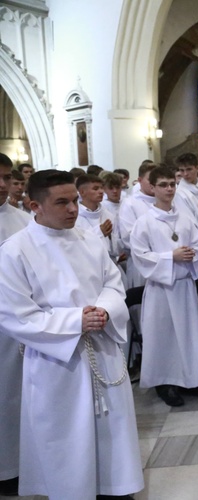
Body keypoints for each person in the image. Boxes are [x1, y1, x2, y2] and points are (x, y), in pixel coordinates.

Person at [0, 169, 143, 499]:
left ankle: (116, 489)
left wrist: (105, 310)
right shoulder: (15, 251)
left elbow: (112, 281)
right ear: (34, 205)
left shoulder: (88, 238)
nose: (73, 210)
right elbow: (14, 314)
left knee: (112, 432)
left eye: (75, 201)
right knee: (67, 438)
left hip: (102, 349)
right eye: (62, 202)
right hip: (56, 361)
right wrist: (75, 321)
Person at [130, 166, 198, 407]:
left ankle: (191, 379)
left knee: (187, 334)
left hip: (184, 288)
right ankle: (166, 383)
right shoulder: (144, 222)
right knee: (164, 337)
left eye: (172, 184)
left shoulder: (184, 218)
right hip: (161, 289)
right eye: (163, 185)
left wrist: (193, 254)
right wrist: (169, 257)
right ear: (152, 188)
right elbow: (140, 256)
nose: (169, 189)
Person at [0, 154, 31, 497]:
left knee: (12, 397)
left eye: (7, 177)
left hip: (17, 326)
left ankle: (14, 465)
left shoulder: (24, 222)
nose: (2, 184)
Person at [174, 152, 198, 224]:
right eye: (182, 170)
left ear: (197, 168)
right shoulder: (178, 194)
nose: (185, 174)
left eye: (189, 169)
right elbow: (186, 222)